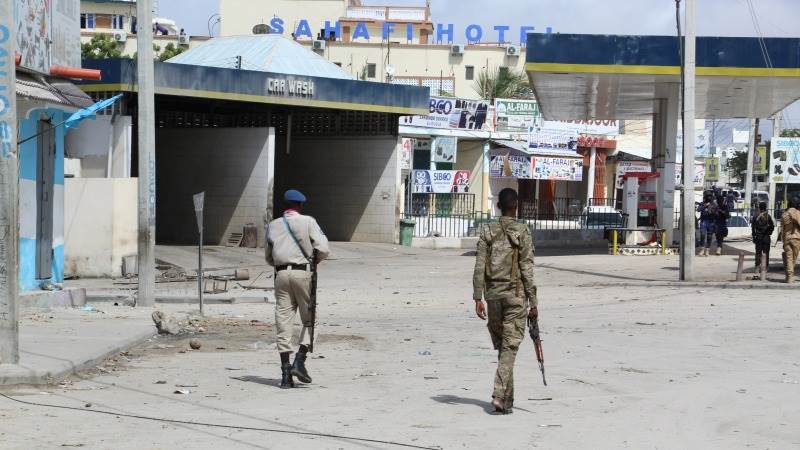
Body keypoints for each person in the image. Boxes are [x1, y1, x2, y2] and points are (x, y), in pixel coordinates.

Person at [472, 188, 537, 414]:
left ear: (499, 205)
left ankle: (506, 402)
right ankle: (499, 394)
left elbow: (479, 265)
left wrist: (477, 297)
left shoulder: (487, 230)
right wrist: (534, 302)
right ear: (515, 205)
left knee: (504, 348)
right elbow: (526, 268)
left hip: (492, 296)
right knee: (509, 346)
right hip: (515, 296)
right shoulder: (522, 231)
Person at [265, 189, 330, 388]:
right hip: (303, 273)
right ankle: (299, 361)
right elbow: (324, 249)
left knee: (283, 323)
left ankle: (285, 375)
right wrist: (313, 262)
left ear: (284, 205)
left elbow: (268, 257)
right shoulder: (308, 221)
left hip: (281, 275)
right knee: (310, 319)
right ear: (300, 205)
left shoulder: (273, 225)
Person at [780, 196, 800, 284]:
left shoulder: (784, 214)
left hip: (786, 238)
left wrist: (783, 241)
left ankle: (789, 277)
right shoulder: (798, 213)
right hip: (796, 238)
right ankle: (790, 276)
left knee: (789, 257)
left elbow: (782, 229)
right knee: (793, 259)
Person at [751, 202, 775, 273]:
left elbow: (753, 227)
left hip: (758, 237)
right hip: (766, 237)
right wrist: (769, 233)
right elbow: (772, 226)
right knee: (766, 253)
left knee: (758, 253)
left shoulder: (755, 216)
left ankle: (757, 268)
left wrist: (754, 236)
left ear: (759, 208)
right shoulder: (768, 216)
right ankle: (765, 268)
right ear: (765, 207)